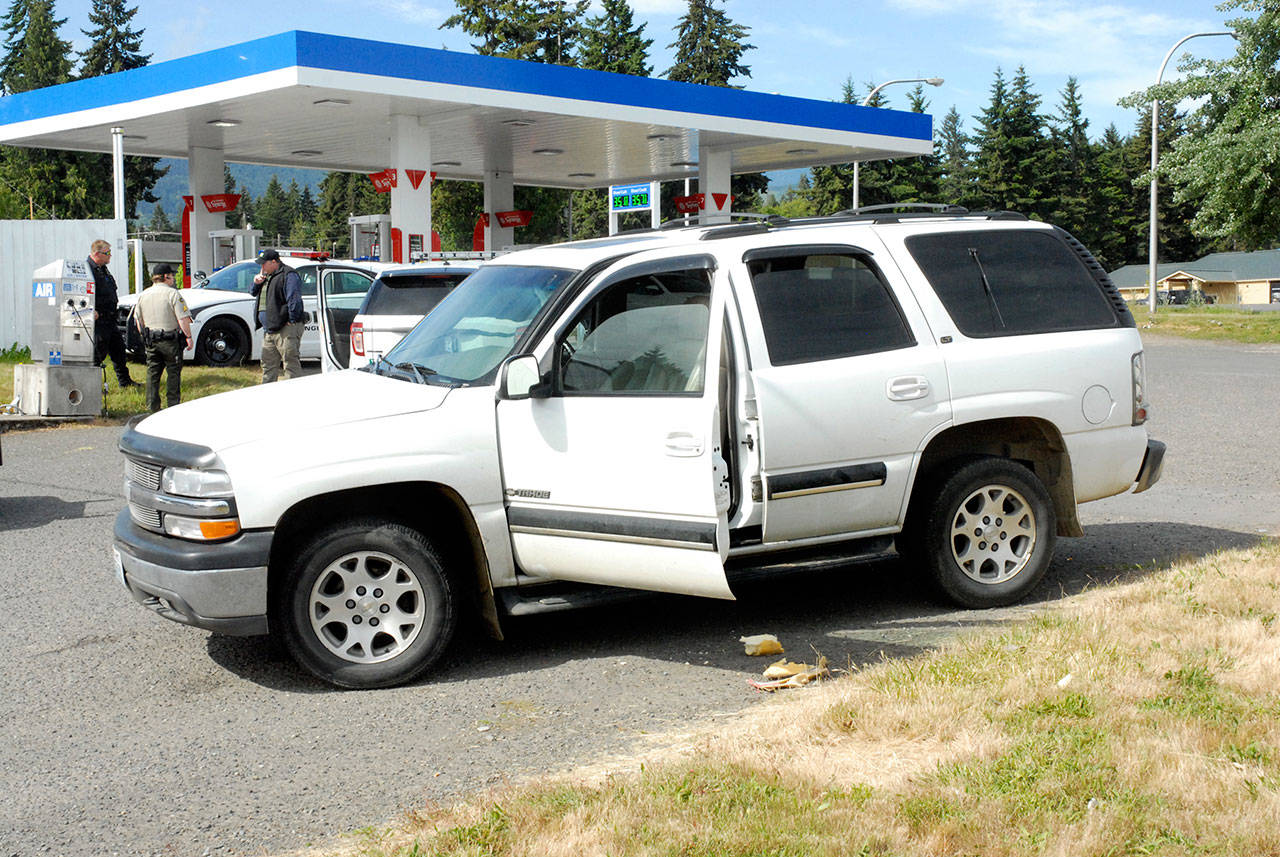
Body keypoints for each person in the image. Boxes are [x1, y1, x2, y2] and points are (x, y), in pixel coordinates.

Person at [132, 263, 193, 412]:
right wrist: (189, 337)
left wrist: (145, 336)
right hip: (170, 340)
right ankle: (172, 408)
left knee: (152, 375)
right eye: (171, 276)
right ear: (166, 277)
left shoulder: (143, 295)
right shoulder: (173, 294)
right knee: (173, 374)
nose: (173, 279)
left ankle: (152, 408)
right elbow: (183, 319)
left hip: (151, 340)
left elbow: (138, 321)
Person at [87, 239, 137, 389]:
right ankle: (92, 386)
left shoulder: (102, 269)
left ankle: (125, 382)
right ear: (97, 253)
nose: (110, 256)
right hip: (99, 320)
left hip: (110, 319)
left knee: (119, 351)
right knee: (98, 354)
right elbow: (84, 294)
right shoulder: (88, 270)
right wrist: (91, 310)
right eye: (107, 253)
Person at [250, 249, 305, 382]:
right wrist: (256, 283)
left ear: (274, 262)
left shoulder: (289, 274)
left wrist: (292, 319)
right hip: (269, 328)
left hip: (285, 328)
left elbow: (294, 299)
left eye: (264, 263)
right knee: (268, 365)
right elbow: (252, 292)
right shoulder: (265, 276)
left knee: (290, 364)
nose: (261, 267)